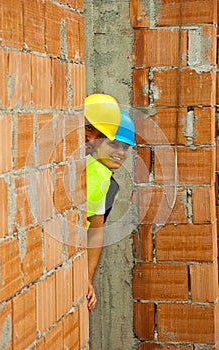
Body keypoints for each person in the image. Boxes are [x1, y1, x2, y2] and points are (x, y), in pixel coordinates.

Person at [84, 94, 136, 311]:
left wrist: (86, 279)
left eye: (126, 148)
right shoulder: (82, 165)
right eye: (114, 144)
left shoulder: (107, 182)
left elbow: (96, 228)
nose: (121, 153)